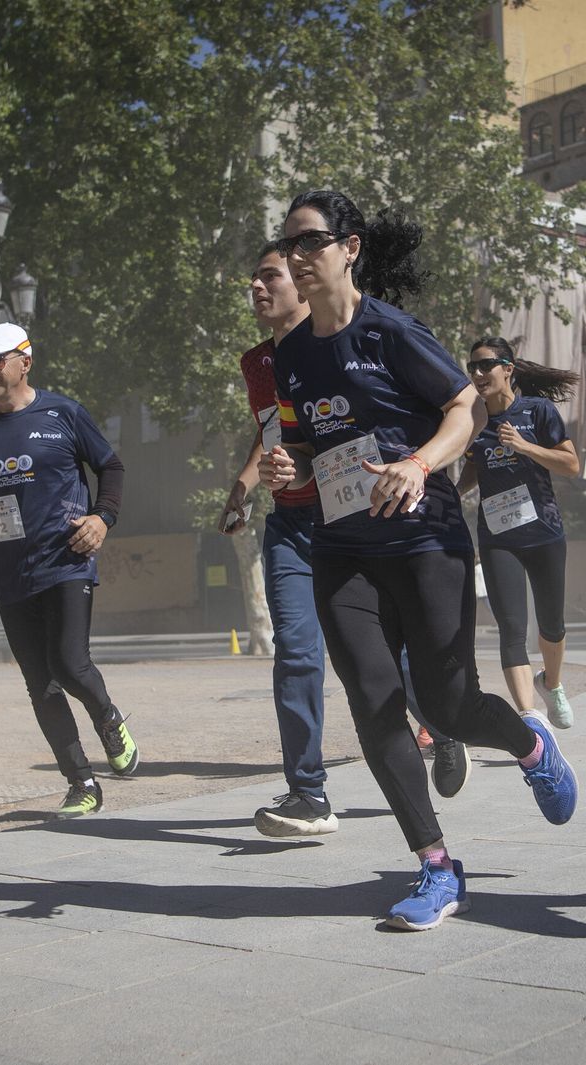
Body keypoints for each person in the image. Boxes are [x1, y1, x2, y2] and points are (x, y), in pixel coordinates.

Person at [259, 190, 578, 932]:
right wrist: (288, 467)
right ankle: (436, 864)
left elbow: (465, 406)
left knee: (448, 701)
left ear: (350, 248)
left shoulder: (391, 331)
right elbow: (310, 445)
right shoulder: (291, 354)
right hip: (343, 547)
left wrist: (422, 463)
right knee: (374, 701)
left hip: (426, 539)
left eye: (311, 242)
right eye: (290, 244)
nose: (298, 256)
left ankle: (531, 744)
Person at [0, 322, 135, 820]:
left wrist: (103, 517)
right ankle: (82, 783)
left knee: (69, 663)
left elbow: (111, 468)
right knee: (40, 682)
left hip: (67, 557)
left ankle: (109, 717)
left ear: (24, 362)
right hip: (9, 570)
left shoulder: (63, 412)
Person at [220, 245, 340, 836]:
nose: (257, 287)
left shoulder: (337, 350)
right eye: (255, 279)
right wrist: (243, 488)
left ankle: (440, 726)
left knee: (379, 654)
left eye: (269, 276)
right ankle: (308, 794)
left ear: (301, 283)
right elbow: (273, 435)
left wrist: (303, 459)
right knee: (295, 654)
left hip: (348, 520)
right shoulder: (256, 364)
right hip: (289, 525)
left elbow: (347, 437)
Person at [458, 337, 581, 727]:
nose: (477, 374)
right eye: (472, 367)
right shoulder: (474, 421)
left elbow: (570, 464)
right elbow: (473, 471)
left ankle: (553, 684)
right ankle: (529, 718)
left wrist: (525, 446)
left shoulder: (538, 411)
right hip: (498, 539)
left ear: (508, 369)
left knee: (552, 624)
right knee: (511, 629)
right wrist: (450, 492)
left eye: (486, 366)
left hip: (544, 532)